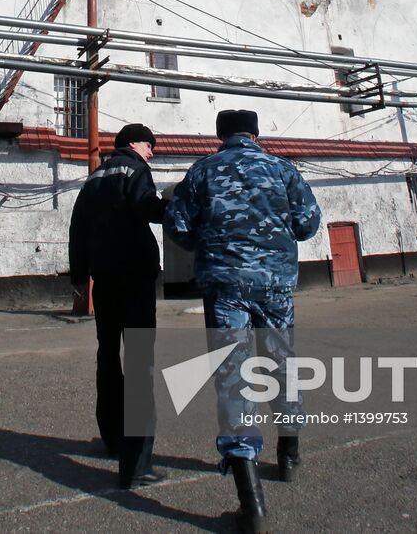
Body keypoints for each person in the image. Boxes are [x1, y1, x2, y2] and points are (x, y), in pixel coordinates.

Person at [164, 109, 321, 533]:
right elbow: (308, 223)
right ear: (255, 133)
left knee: (233, 378)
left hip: (224, 285)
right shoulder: (282, 168)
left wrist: (212, 240)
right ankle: (288, 453)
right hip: (275, 286)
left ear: (220, 135)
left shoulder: (202, 171)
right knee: (280, 362)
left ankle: (251, 504)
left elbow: (176, 226)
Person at [68, 122, 166, 490]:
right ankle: (136, 464)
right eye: (149, 145)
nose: (152, 151)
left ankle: (111, 439)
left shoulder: (93, 178)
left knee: (107, 357)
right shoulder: (137, 170)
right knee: (141, 363)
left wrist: (80, 279)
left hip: (103, 281)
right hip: (136, 279)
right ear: (134, 143)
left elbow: (77, 228)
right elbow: (147, 209)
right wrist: (172, 205)